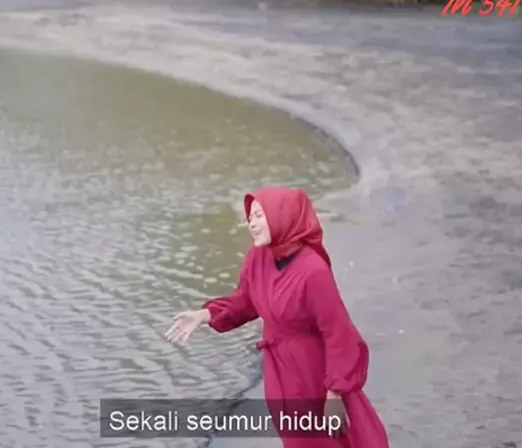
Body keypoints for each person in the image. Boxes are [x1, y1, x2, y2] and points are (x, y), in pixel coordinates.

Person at [165, 186, 389, 448]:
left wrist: (335, 392)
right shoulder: (258, 257)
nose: (252, 224)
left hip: (315, 372)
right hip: (279, 370)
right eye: (250, 218)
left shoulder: (313, 271)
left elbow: (339, 333)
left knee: (331, 439)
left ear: (281, 215)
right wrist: (205, 314)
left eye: (259, 216)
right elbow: (246, 300)